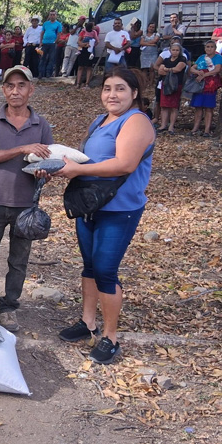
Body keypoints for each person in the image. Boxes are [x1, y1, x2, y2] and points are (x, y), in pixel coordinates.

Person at [46, 68, 155, 364]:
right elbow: (88, 159)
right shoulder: (99, 121)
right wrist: (60, 166)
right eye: (107, 88)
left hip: (120, 209)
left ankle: (110, 337)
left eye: (120, 89)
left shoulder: (136, 121)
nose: (112, 94)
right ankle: (88, 322)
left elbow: (124, 164)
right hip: (90, 205)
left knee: (106, 270)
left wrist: (78, 170)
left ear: (134, 93)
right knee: (90, 266)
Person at [0, 65, 54, 331]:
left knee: (19, 260)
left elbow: (50, 164)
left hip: (26, 204)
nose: (15, 91)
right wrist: (22, 148)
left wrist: (44, 174)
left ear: (31, 90)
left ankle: (9, 306)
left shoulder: (41, 125)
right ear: (4, 90)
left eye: (21, 85)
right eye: (10, 86)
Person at [188, 40, 222, 137]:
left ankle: (207, 130)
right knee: (198, 107)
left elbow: (217, 69)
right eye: (207, 46)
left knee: (208, 107)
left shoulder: (218, 57)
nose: (209, 48)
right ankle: (195, 128)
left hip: (210, 84)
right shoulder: (201, 57)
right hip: (199, 84)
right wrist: (197, 72)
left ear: (215, 48)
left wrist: (204, 75)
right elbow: (192, 68)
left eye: (212, 47)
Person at [154, 42, 187, 134]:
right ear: (170, 50)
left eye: (177, 50)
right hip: (165, 84)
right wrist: (170, 70)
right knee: (164, 106)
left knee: (174, 106)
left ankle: (171, 126)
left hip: (176, 85)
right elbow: (160, 71)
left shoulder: (182, 59)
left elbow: (178, 69)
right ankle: (163, 125)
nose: (175, 52)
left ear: (180, 51)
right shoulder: (166, 60)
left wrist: (167, 69)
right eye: (173, 50)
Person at [139, 22, 161, 94]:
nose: (151, 28)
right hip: (144, 54)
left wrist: (146, 43)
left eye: (153, 27)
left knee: (152, 69)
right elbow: (141, 43)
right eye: (150, 27)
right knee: (144, 69)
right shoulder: (144, 35)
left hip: (153, 54)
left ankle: (151, 84)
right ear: (148, 27)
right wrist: (150, 44)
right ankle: (144, 83)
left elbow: (155, 40)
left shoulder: (156, 35)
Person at [39, 10, 62, 78]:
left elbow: (59, 34)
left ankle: (48, 73)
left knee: (51, 59)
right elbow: (42, 33)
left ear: (56, 15)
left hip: (52, 44)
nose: (52, 16)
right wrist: (41, 42)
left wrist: (55, 42)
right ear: (49, 15)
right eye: (51, 15)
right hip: (44, 43)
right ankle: (41, 73)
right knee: (42, 58)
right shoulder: (45, 23)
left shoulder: (58, 24)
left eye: (53, 15)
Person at [75, 21, 97, 88]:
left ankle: (87, 84)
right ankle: (78, 83)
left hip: (90, 51)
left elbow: (97, 41)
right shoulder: (83, 31)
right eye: (93, 26)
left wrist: (92, 45)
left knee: (89, 67)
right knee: (80, 66)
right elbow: (78, 41)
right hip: (82, 50)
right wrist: (83, 44)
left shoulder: (94, 32)